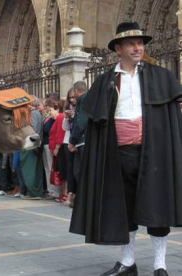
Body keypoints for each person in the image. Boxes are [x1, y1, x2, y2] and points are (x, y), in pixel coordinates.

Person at [70, 22, 182, 276]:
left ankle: (160, 265)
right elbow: (93, 122)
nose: (137, 48)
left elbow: (172, 120)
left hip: (153, 152)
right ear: (118, 48)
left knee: (157, 208)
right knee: (122, 209)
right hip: (117, 153)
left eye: (140, 43)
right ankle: (128, 262)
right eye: (131, 44)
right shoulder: (105, 81)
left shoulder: (161, 76)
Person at [67, 81, 88, 208]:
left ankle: (82, 200)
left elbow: (81, 122)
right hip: (85, 141)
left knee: (79, 172)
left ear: (76, 92)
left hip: (82, 142)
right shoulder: (90, 99)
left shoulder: (83, 101)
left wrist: (72, 141)